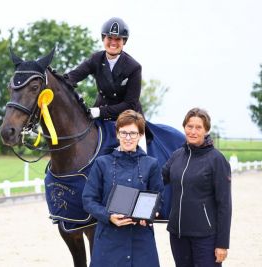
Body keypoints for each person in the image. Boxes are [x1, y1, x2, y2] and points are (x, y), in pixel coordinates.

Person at [82, 109, 163, 267]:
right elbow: (88, 200)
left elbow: (159, 198)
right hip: (108, 240)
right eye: (124, 133)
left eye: (133, 133)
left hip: (141, 242)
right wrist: (108, 216)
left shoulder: (151, 164)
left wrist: (153, 212)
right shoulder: (101, 163)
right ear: (117, 134)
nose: (128, 138)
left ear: (140, 135)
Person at [162, 108, 232, 267]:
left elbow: (225, 205)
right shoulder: (177, 155)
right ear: (184, 127)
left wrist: (222, 244)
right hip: (178, 235)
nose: (193, 131)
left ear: (206, 130)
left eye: (198, 127)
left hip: (205, 237)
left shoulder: (217, 160)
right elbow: (158, 181)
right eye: (189, 126)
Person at [67, 17, 142, 121]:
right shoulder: (96, 59)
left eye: (118, 39)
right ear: (103, 38)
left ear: (124, 41)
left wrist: (100, 112)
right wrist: (59, 81)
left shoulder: (134, 67)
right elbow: (74, 75)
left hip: (128, 119)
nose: (113, 43)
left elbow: (130, 104)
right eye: (109, 38)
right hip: (100, 114)